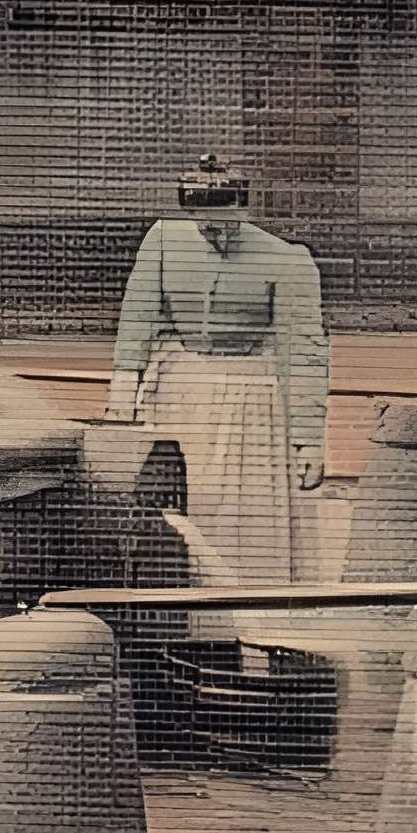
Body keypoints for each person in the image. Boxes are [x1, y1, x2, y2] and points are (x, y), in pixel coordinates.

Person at [105, 158, 330, 597]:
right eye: (205, 223)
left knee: (243, 511)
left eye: (226, 221)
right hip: (179, 397)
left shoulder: (286, 259)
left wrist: (308, 439)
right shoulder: (164, 242)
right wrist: (123, 390)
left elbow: (302, 351)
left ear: (243, 211)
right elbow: (138, 317)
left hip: (251, 406)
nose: (216, 232)